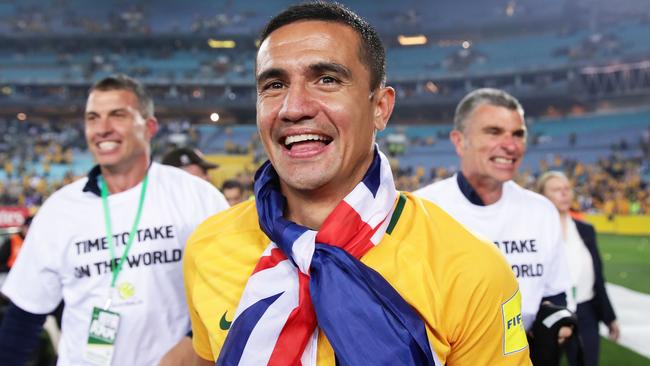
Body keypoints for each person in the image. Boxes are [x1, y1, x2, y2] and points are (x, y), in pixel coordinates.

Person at [184, 3, 530, 365]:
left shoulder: (469, 269)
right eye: (274, 84)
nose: (293, 107)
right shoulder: (208, 248)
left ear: (380, 107)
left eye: (327, 79)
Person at [0, 74, 229, 366]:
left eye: (117, 115)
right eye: (93, 118)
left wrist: (190, 343)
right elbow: (23, 320)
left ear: (149, 127)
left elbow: (230, 289)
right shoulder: (59, 210)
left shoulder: (197, 197)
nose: (102, 129)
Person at [414, 88, 573, 352]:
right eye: (494, 132)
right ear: (459, 141)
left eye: (518, 134)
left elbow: (555, 294)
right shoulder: (421, 209)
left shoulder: (541, 211)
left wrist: (558, 323)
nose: (510, 145)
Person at [537, 171, 619, 366]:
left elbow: (597, 277)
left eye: (567, 189)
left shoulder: (585, 230)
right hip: (548, 311)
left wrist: (610, 317)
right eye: (557, 190)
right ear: (542, 196)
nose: (564, 194)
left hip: (585, 310)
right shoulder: (533, 232)